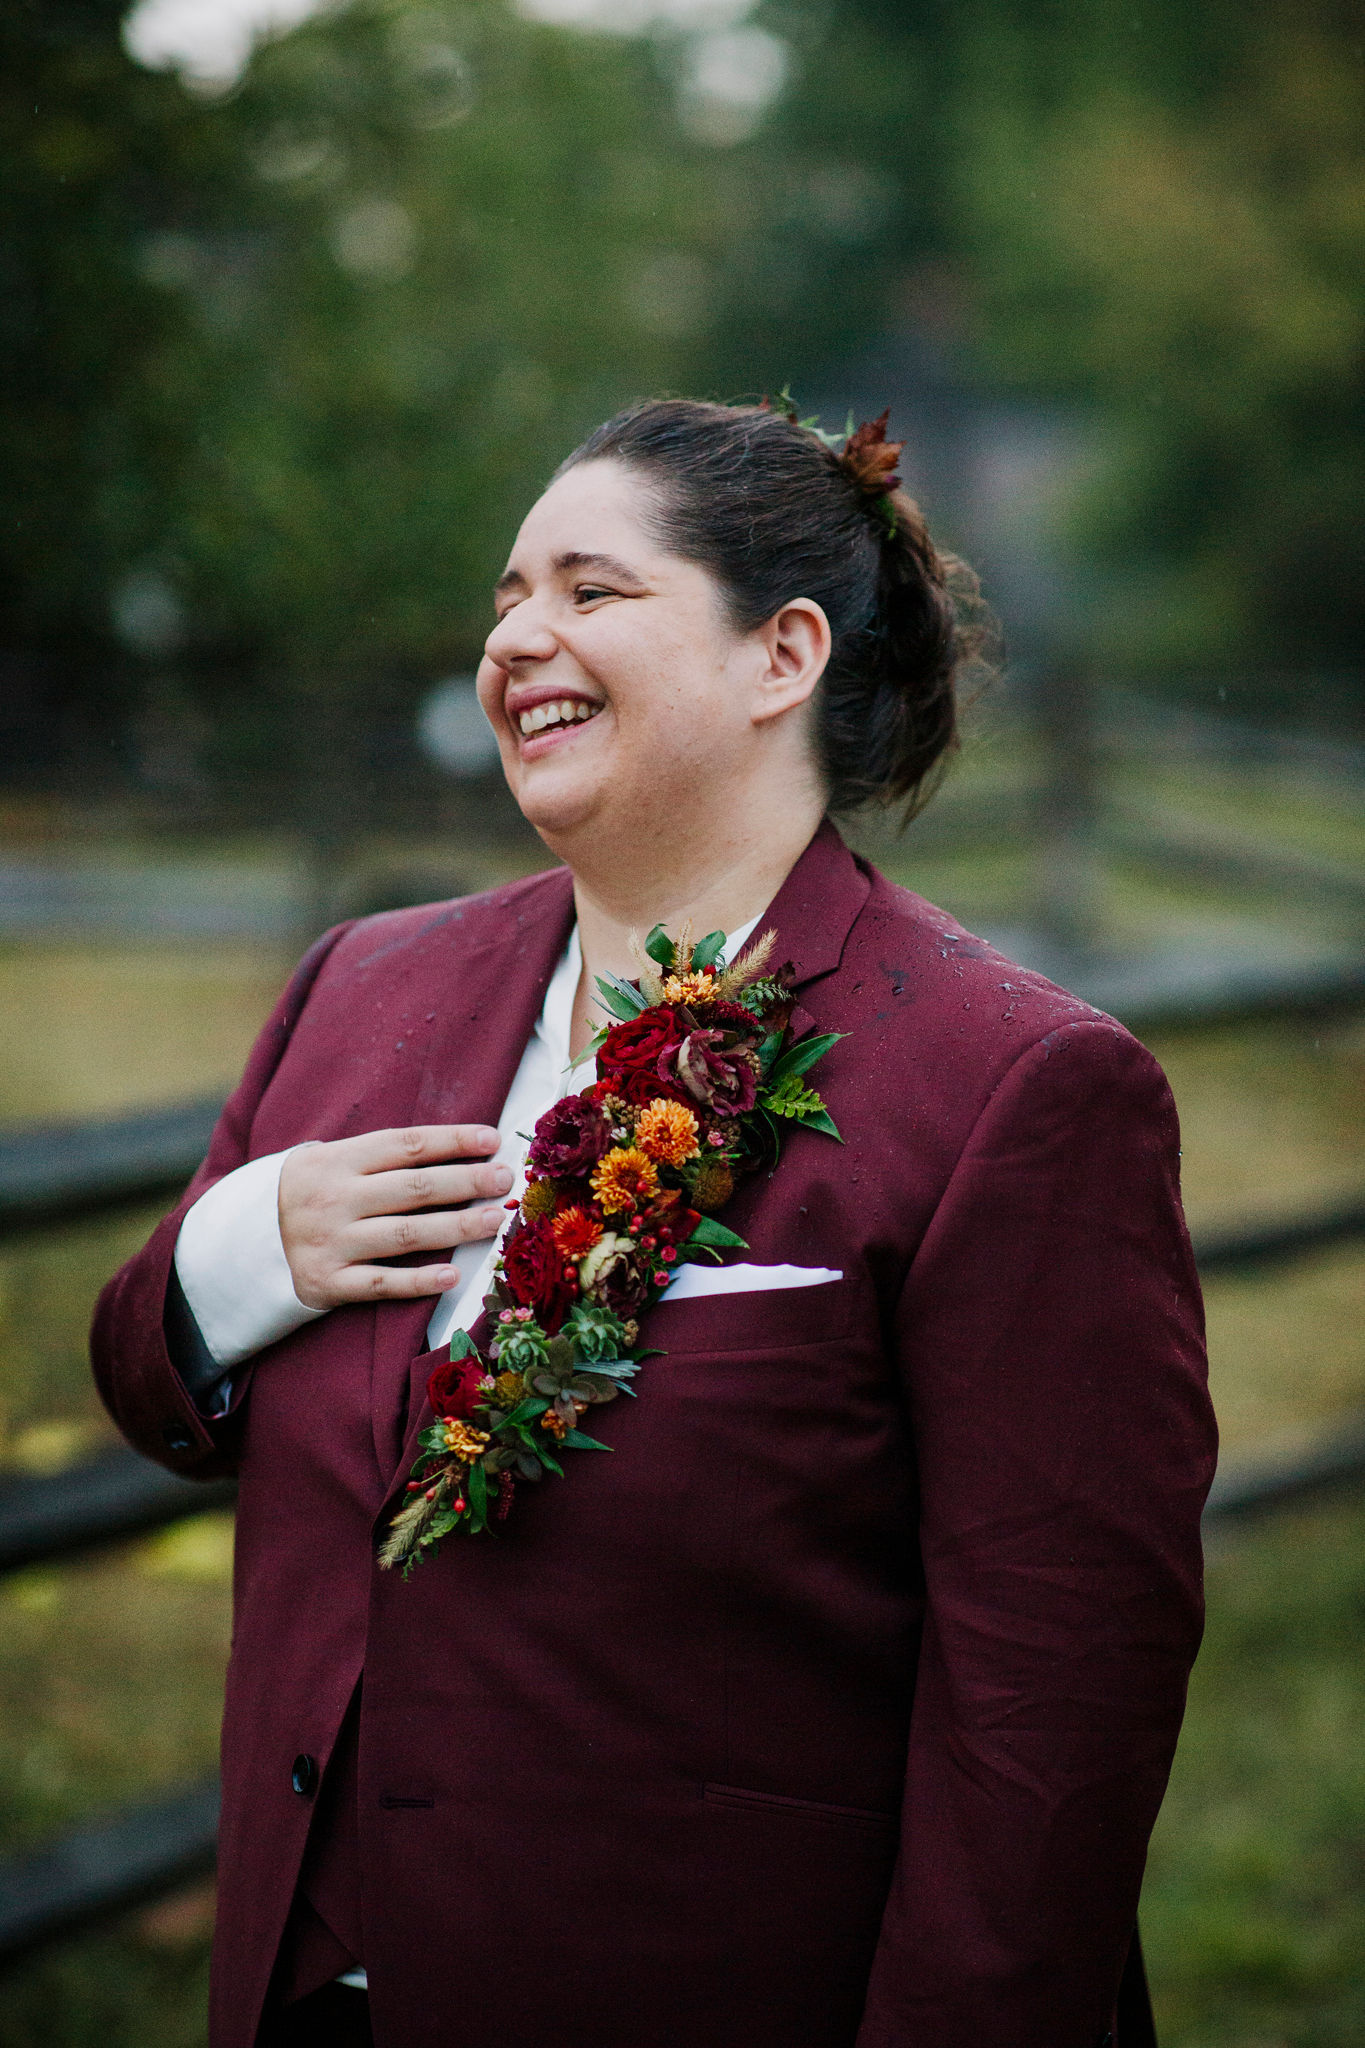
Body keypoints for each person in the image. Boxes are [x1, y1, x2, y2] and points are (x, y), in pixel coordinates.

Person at [91, 397, 1216, 2048]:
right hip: (310, 1989)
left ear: (781, 657)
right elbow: (153, 1393)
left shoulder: (1014, 1087)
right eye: (503, 597)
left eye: (589, 591)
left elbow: (1054, 1716)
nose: (515, 638)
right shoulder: (362, 990)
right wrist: (236, 1253)